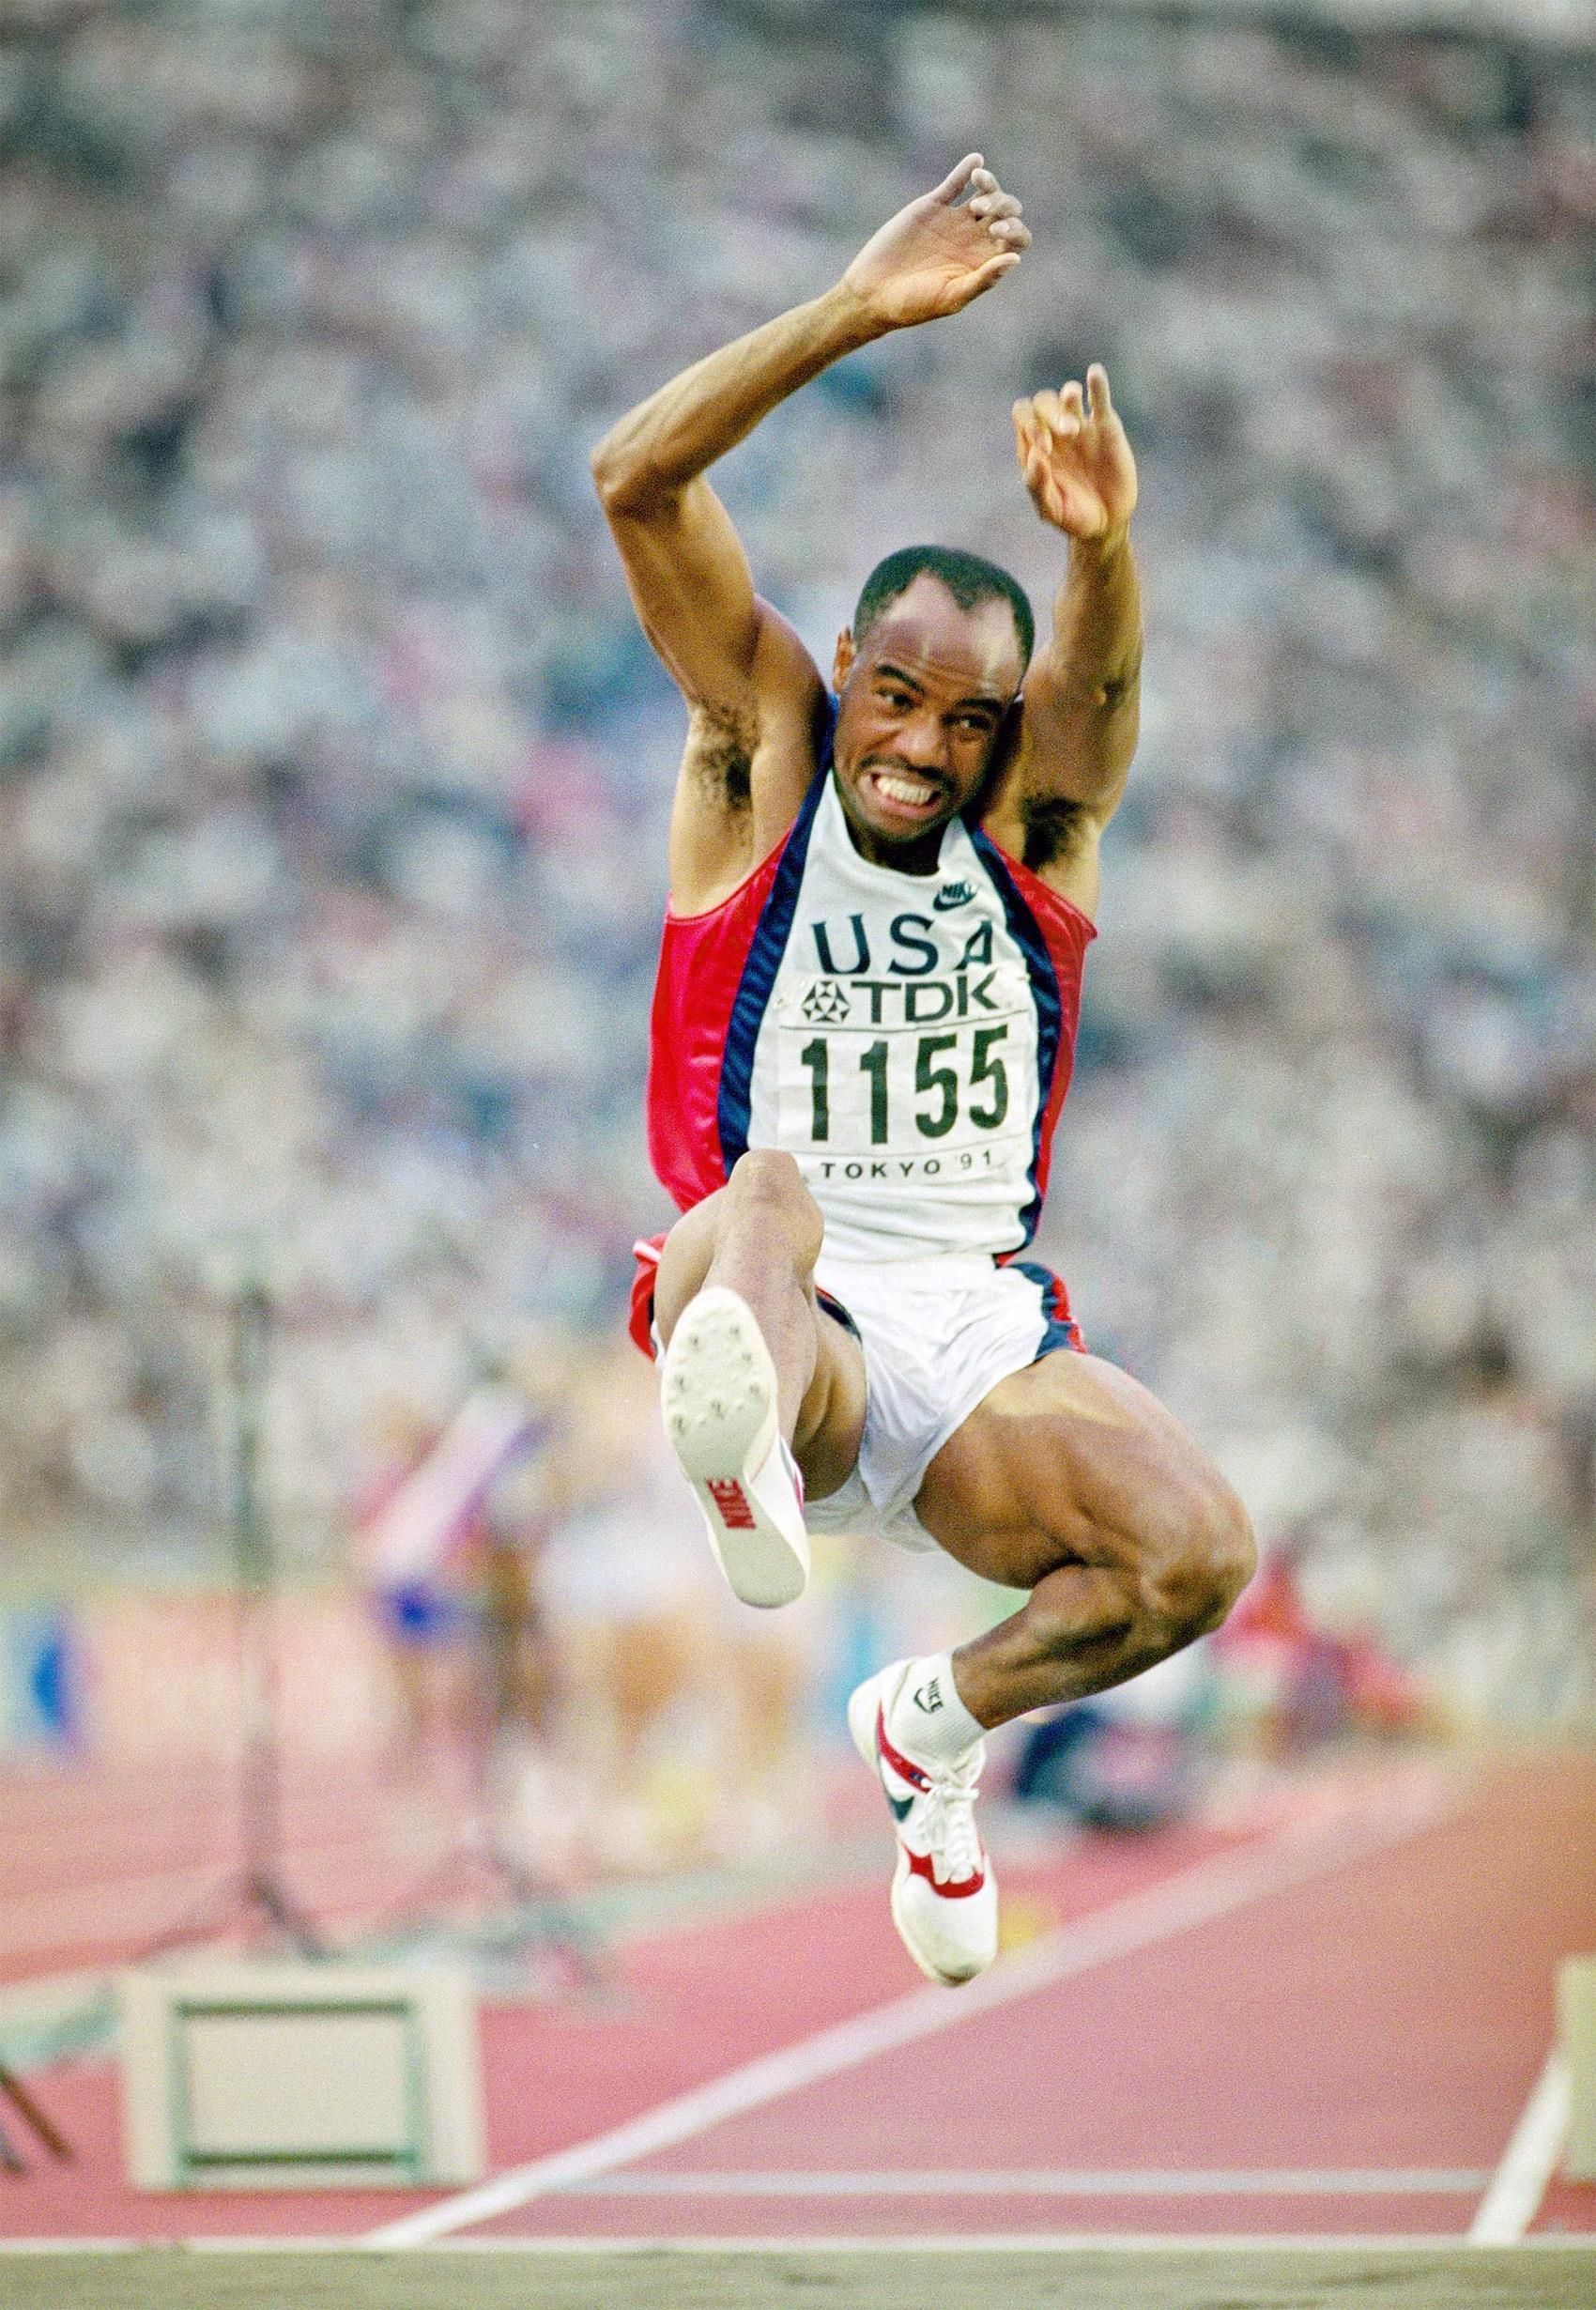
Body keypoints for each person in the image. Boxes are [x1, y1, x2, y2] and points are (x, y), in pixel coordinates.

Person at [591, 154, 1255, 1987]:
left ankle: (929, 1730)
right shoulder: (758, 757)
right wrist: (853, 310)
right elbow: (634, 477)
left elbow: (1099, 704)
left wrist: (1101, 549)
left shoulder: (1034, 826)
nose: (921, 745)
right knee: (768, 1200)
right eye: (898, 693)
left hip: (970, 1335)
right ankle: (744, 1448)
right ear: (852, 673)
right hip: (776, 1285)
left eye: (968, 716)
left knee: (1195, 1555)